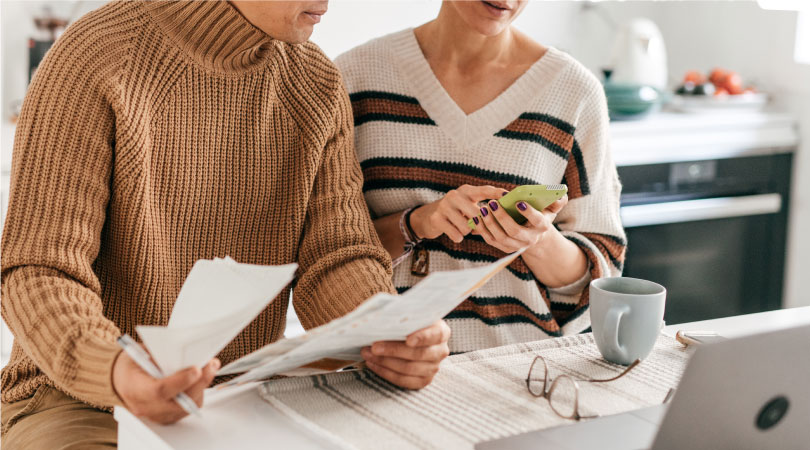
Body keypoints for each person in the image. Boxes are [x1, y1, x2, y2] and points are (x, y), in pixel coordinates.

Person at [0, 1, 451, 448]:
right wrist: (117, 371)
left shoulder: (315, 82)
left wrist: (389, 330)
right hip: (78, 399)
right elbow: (38, 269)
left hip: (240, 401)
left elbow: (337, 255)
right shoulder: (97, 52)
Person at [335, 0, 626, 354]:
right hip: (388, 359)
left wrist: (536, 240)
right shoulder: (354, 77)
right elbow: (327, 250)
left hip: (521, 371)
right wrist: (418, 222)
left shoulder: (574, 91)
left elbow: (604, 272)